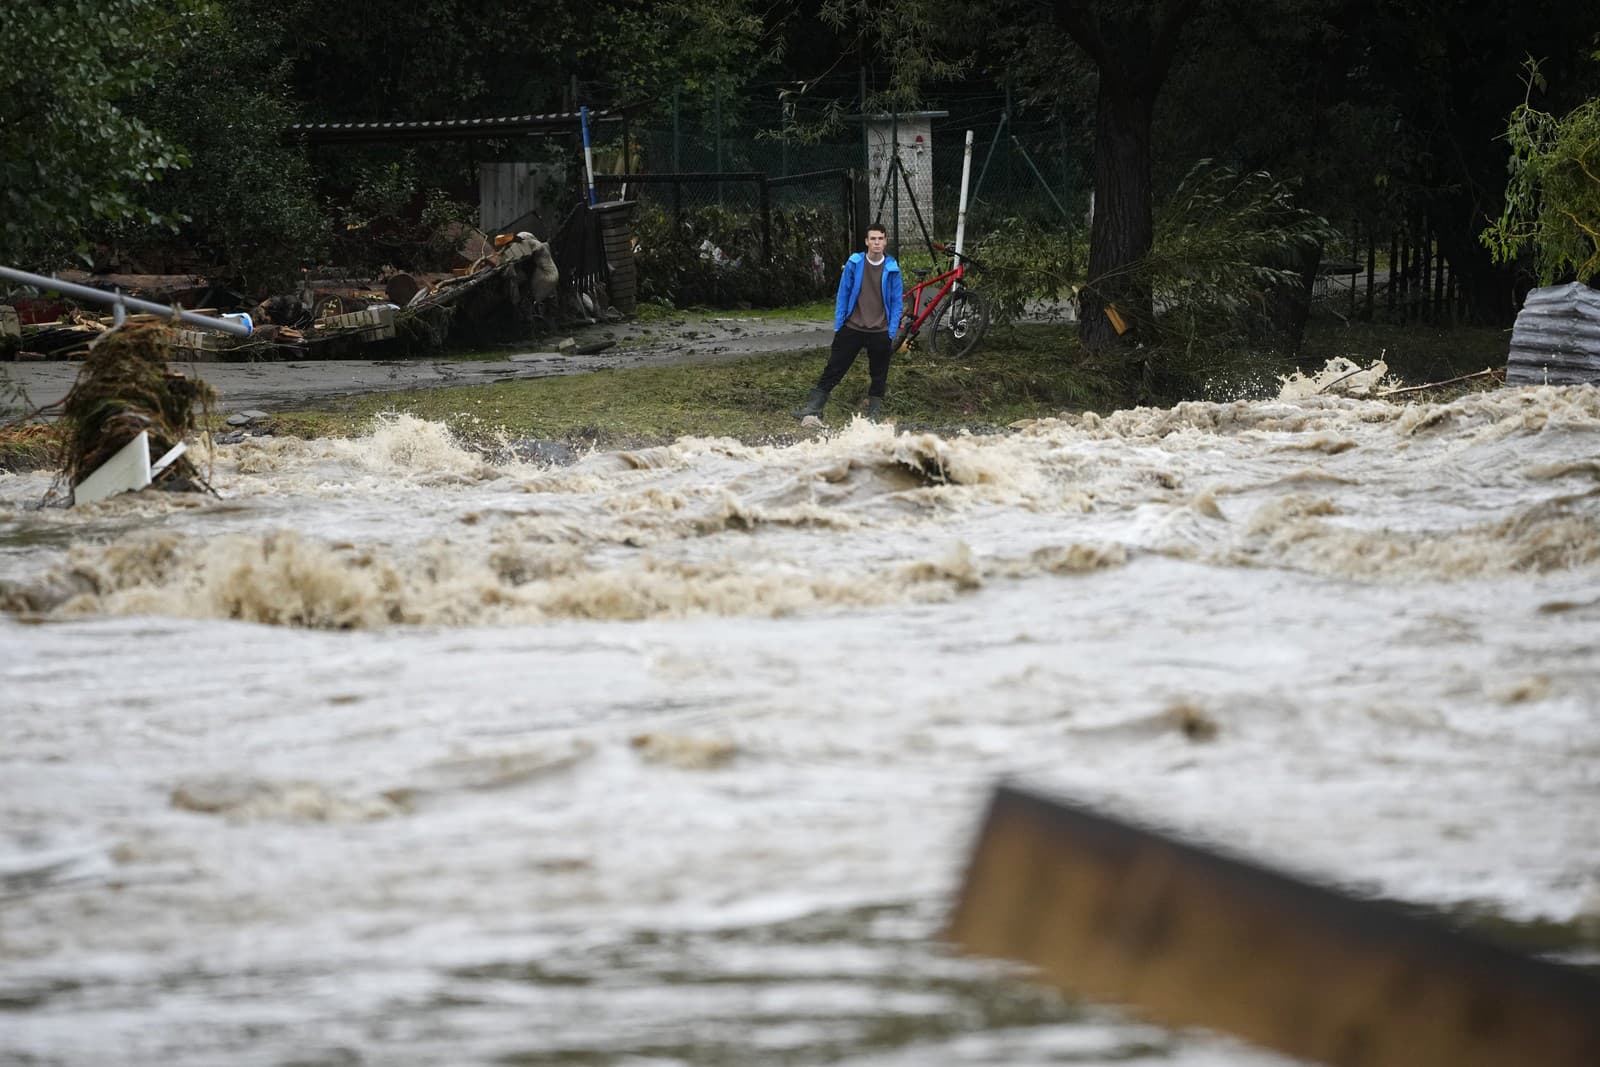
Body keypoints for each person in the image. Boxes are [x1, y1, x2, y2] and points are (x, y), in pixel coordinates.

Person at [793, 223, 903, 421]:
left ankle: (874, 415)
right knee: (834, 367)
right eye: (873, 239)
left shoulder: (893, 268)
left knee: (879, 374)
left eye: (880, 239)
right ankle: (814, 407)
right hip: (852, 327)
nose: (877, 243)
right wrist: (838, 325)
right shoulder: (854, 263)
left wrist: (891, 331)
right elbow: (843, 294)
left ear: (886, 241)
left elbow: (897, 302)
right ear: (866, 242)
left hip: (880, 330)